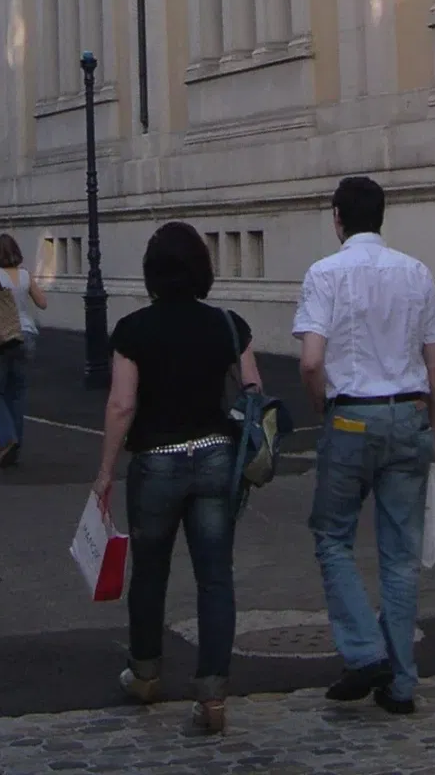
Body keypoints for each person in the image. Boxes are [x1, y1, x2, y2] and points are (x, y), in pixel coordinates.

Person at [93, 220, 262, 737]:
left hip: (158, 461)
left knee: (150, 573)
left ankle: (145, 672)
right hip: (215, 456)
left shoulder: (133, 330)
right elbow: (252, 388)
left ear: (151, 272)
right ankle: (212, 693)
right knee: (215, 576)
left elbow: (123, 404)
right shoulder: (228, 325)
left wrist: (104, 473)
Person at [294, 175, 435, 717]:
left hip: (352, 416)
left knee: (333, 536)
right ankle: (402, 683)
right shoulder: (416, 273)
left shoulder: (325, 274)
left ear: (338, 218)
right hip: (409, 414)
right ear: (382, 216)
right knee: (401, 556)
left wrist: (322, 406)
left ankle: (364, 651)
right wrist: (434, 429)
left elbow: (312, 359)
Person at [0, 233, 47, 467]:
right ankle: (17, 441)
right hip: (26, 335)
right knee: (18, 392)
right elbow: (42, 302)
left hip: (1, 337)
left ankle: (8, 438)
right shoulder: (26, 275)